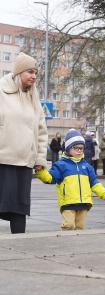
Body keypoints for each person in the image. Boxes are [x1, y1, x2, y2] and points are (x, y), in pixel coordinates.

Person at [0, 52, 48, 234]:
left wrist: (40, 159)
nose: (34, 76)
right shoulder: (1, 92)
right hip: (3, 160)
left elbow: (41, 131)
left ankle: (20, 241)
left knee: (20, 208)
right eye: (30, 72)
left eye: (35, 72)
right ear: (19, 72)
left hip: (24, 163)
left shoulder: (34, 97)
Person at [35, 129, 105, 230]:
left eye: (81, 148)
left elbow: (95, 184)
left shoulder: (87, 166)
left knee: (80, 227)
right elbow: (50, 178)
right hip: (68, 202)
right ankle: (67, 243)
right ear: (68, 149)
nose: (79, 151)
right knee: (69, 225)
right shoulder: (61, 165)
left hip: (84, 202)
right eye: (76, 148)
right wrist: (41, 171)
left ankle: (78, 245)